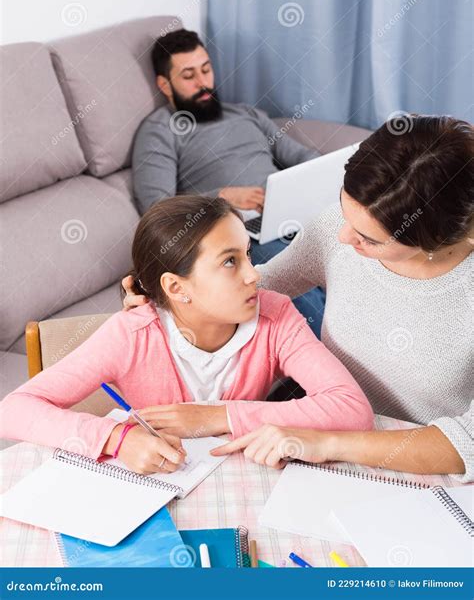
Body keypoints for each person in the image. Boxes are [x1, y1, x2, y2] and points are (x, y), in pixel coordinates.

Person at [126, 115, 474, 481]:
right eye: (344, 213)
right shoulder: (335, 231)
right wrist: (166, 300)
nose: (342, 238)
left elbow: (467, 444)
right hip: (318, 430)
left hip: (426, 470)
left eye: (368, 239)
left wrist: (326, 443)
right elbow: (260, 289)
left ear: (434, 241)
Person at [0, 196, 373, 475]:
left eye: (246, 253)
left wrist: (218, 416)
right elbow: (13, 410)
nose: (254, 274)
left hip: (243, 482)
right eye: (230, 261)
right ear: (177, 288)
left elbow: (353, 410)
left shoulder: (276, 317)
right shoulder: (131, 334)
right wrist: (118, 439)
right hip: (159, 488)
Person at [132, 28, 326, 334]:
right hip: (235, 229)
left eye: (206, 70)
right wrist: (223, 197)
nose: (203, 83)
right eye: (188, 75)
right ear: (164, 84)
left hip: (289, 211)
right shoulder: (159, 130)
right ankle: (342, 367)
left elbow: (304, 156)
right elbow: (158, 210)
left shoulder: (245, 114)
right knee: (297, 278)